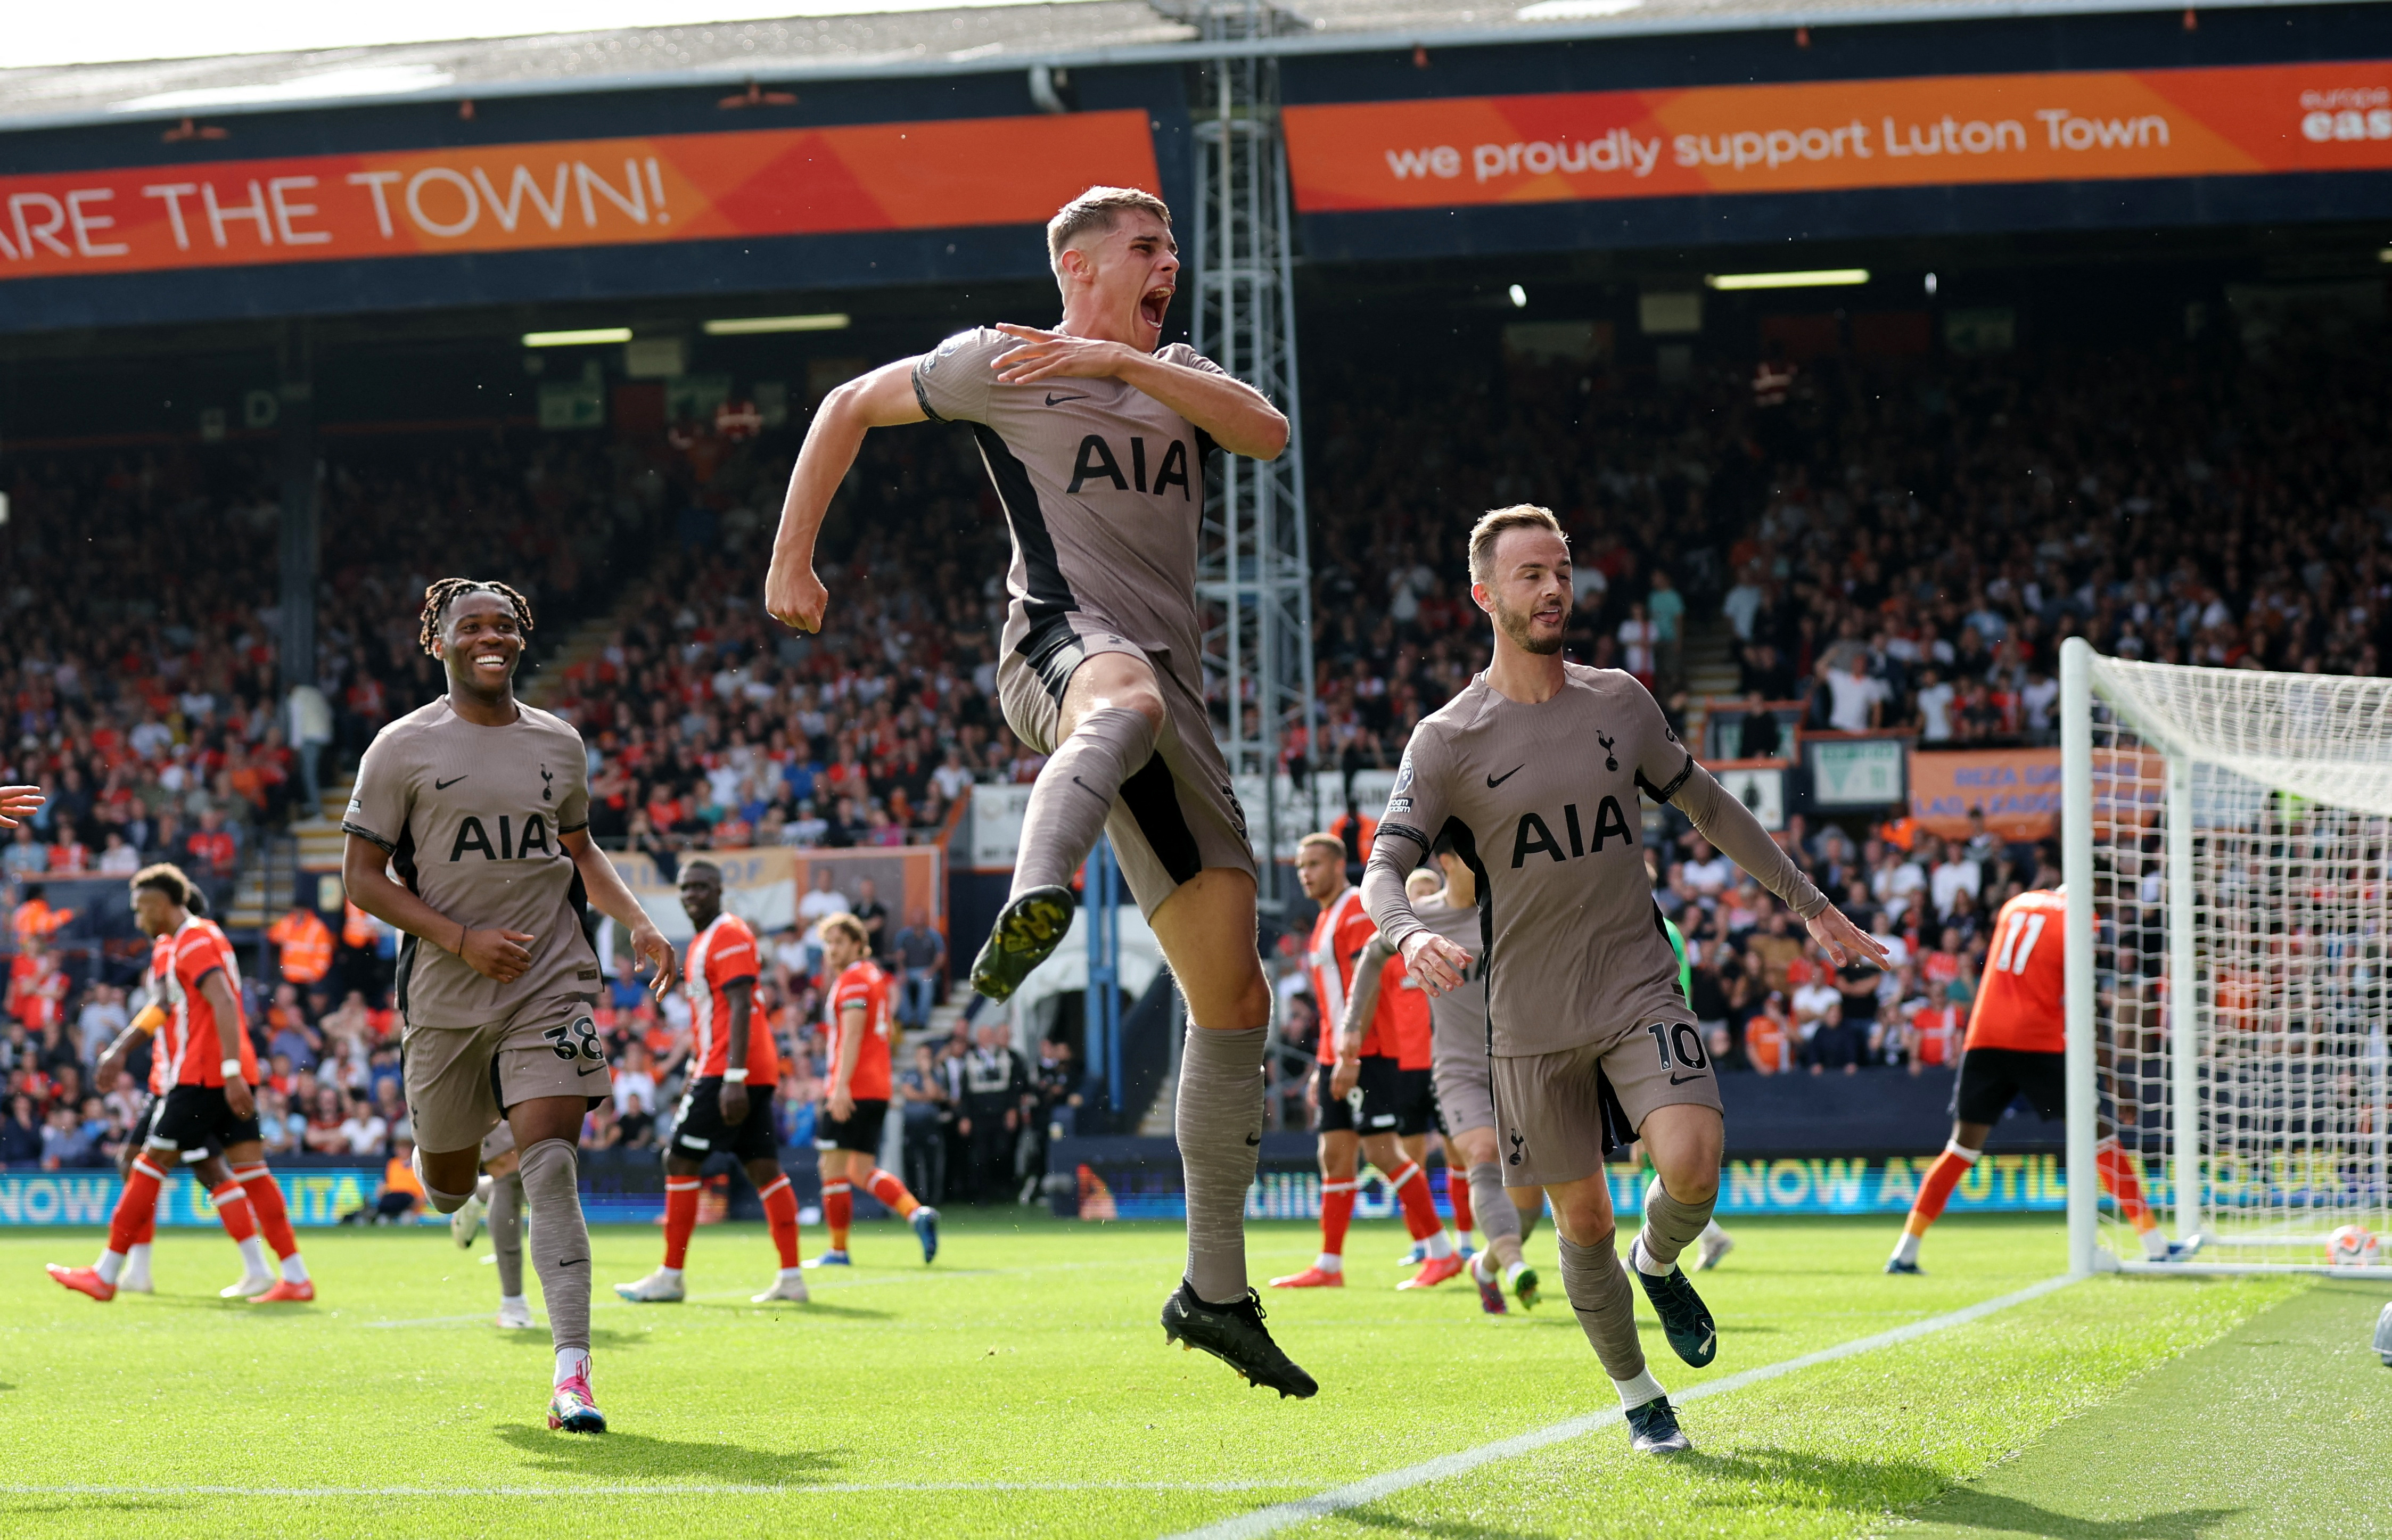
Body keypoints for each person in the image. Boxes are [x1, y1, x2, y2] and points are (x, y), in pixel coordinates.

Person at [762, 185, 1308, 1397]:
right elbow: (849, 403)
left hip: (1172, 693)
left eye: (1172, 243)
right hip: (1056, 646)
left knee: (1232, 999)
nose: (1169, 260)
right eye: (1144, 245)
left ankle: (1211, 1290)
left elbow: (1263, 431)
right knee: (1122, 702)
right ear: (1075, 262)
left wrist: (1131, 359)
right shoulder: (999, 362)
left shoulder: (1173, 369)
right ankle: (1035, 892)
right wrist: (791, 555)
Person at [1362, 505, 1888, 1456]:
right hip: (1525, 1016)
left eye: (1560, 569)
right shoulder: (1445, 739)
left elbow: (1709, 806)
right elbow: (1381, 865)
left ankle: (1660, 1259)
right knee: (1581, 1218)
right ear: (1483, 595)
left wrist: (1808, 902)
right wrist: (1402, 933)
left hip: (1634, 982)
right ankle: (1639, 1395)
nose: (1553, 587)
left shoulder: (1619, 702)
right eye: (1529, 573)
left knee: (1690, 1161)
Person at [340, 578, 678, 1436]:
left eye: (503, 625)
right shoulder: (400, 748)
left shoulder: (559, 744)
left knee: (551, 1163)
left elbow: (580, 848)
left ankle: (573, 1379)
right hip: (447, 994)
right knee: (450, 1183)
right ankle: (445, 1168)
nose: (489, 636)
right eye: (471, 626)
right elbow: (360, 880)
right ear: (439, 641)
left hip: (549, 980)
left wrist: (638, 921)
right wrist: (458, 938)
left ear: (522, 638)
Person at [1888, 882, 2199, 1273]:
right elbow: (2084, 1005)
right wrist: (2115, 1083)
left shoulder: (2014, 903)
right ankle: (2154, 1245)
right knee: (2099, 1134)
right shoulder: (2078, 919)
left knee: (1961, 1148)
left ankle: (1905, 1252)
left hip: (1983, 1036)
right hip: (2036, 1041)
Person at [49, 863, 313, 1304]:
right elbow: (166, 1005)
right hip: (217, 1072)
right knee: (251, 1172)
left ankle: (109, 1271)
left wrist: (228, 1073)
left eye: (141, 909)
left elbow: (225, 1001)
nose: (138, 918)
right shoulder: (187, 940)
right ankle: (295, 1275)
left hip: (202, 1075)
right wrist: (120, 1048)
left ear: (161, 905)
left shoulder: (191, 941)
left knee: (147, 1164)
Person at [1346, 858, 1543, 1315]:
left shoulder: (1514, 905)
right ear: (1452, 860)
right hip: (1458, 1071)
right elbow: (1372, 956)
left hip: (1520, 1068)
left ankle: (1488, 1264)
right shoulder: (1420, 917)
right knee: (1479, 1156)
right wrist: (1350, 1025)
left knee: (1529, 1208)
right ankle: (1514, 1267)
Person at [617, 859, 810, 1305]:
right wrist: (694, 1067)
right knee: (764, 1168)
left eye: (701, 887)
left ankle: (671, 1275)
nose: (692, 894)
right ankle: (792, 1277)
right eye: (685, 887)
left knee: (680, 1158)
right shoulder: (707, 938)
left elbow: (741, 1005)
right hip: (733, 1066)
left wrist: (733, 1076)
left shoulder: (728, 933)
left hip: (732, 1069)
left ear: (720, 889)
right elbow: (717, 1014)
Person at [1271, 834, 1454, 1291]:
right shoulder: (1324, 919)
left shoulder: (1355, 911)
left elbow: (1365, 989)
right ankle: (1329, 1265)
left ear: (1338, 865)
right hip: (1339, 1054)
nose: (1305, 873)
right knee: (1334, 1155)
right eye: (1300, 866)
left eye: (1314, 863)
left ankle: (1441, 1250)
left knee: (1379, 1151)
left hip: (1369, 1052)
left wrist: (1350, 1055)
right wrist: (1323, 1063)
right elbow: (1333, 1005)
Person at [805, 913, 938, 1267]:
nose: (832, 949)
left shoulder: (852, 980)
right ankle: (916, 1213)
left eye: (838, 942)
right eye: (828, 943)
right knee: (860, 1169)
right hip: (877, 1087)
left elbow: (852, 1032)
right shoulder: (872, 977)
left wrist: (840, 1086)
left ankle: (837, 1250)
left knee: (830, 1167)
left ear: (857, 943)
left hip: (854, 1087)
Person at [892, 909, 946, 1030]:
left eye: (920, 917)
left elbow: (940, 957)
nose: (918, 921)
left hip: (927, 971)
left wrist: (931, 971)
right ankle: (907, 1020)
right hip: (908, 971)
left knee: (926, 983)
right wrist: (902, 971)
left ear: (925, 919)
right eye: (916, 918)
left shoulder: (934, 935)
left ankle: (922, 1021)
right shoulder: (903, 935)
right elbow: (899, 956)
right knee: (897, 982)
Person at [267, 904, 335, 990]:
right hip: (289, 977)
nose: (298, 914)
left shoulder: (317, 927)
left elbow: (323, 954)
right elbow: (273, 935)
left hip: (309, 980)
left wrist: (317, 975)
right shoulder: (288, 922)